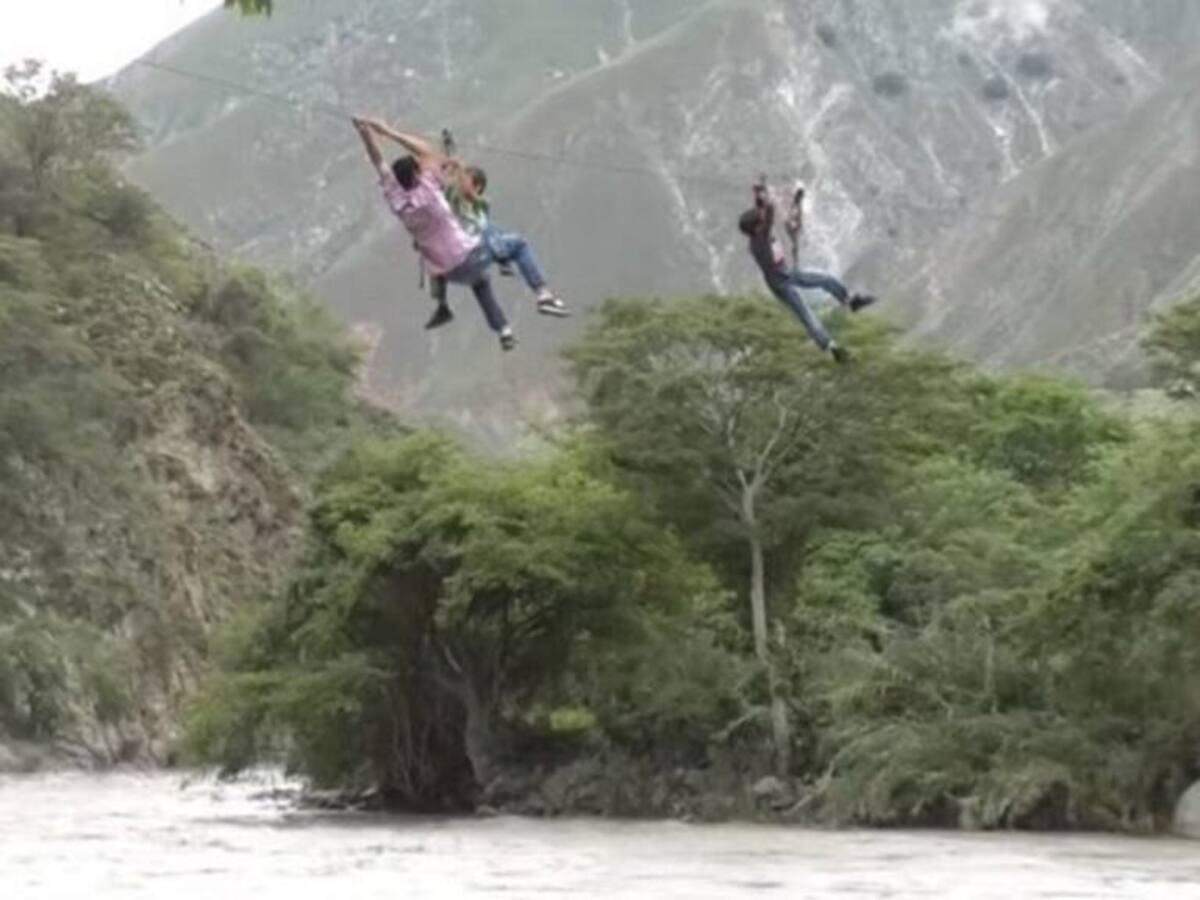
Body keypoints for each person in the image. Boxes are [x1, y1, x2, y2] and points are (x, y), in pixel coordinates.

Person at [351, 116, 568, 349]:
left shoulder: (396, 199)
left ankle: (504, 330)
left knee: (481, 283)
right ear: (417, 175)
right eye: (420, 167)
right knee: (518, 244)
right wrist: (388, 132)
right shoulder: (429, 189)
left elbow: (378, 163)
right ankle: (543, 295)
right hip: (469, 255)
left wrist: (365, 135)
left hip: (450, 272)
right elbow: (428, 152)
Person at [739, 177, 876, 363]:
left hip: (785, 273)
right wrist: (764, 192)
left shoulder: (758, 234)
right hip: (781, 283)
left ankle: (850, 301)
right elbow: (768, 211)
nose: (763, 221)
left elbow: (763, 211)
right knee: (806, 314)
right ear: (756, 229)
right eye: (760, 222)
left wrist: (759, 192)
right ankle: (832, 348)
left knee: (825, 279)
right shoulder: (760, 241)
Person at [427, 163, 568, 330]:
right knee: (512, 243)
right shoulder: (453, 203)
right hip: (465, 256)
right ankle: (536, 291)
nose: (459, 183)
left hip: (477, 253)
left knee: (508, 242)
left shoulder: (481, 205)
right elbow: (448, 189)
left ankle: (531, 300)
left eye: (466, 180)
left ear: (477, 187)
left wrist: (459, 168)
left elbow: (467, 194)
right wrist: (450, 167)